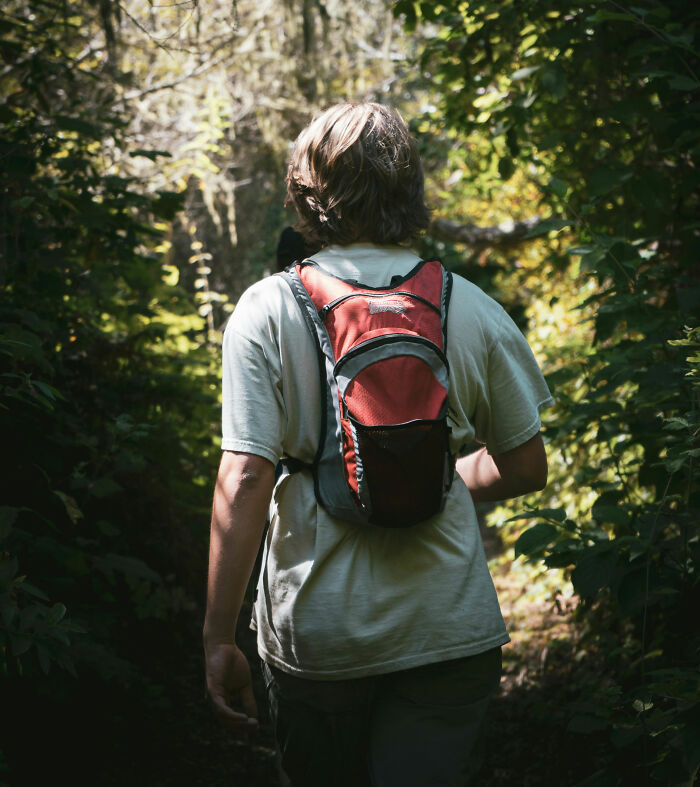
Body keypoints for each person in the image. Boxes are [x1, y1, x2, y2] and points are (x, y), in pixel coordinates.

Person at [204, 102, 554, 786]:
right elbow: (526, 465)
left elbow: (244, 477)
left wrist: (219, 634)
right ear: (410, 189)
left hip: (318, 635)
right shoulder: (468, 304)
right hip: (448, 632)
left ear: (306, 194)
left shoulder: (266, 310)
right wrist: (438, 473)